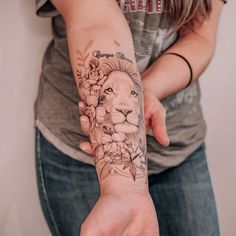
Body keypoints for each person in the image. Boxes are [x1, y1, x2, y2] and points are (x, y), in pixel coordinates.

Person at [34, 0, 226, 235]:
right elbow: (96, 21)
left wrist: (149, 88)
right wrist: (123, 187)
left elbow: (200, 38)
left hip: (178, 142)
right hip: (81, 152)